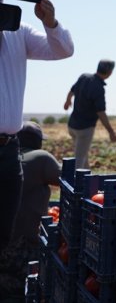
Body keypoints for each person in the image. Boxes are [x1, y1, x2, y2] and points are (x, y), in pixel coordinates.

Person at [0, 0, 73, 252]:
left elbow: (63, 50)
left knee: (3, 234)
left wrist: (50, 22)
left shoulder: (19, 31)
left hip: (8, 150)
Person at [0, 122, 61, 301]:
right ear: (37, 142)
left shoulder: (6, 158)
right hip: (23, 248)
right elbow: (71, 181)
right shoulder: (40, 157)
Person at [63, 59, 116, 169]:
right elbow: (101, 112)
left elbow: (71, 91)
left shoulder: (84, 77)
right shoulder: (98, 88)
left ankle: (87, 182)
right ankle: (76, 184)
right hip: (84, 129)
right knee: (79, 160)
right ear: (110, 73)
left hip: (72, 126)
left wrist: (68, 101)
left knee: (83, 156)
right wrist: (111, 131)